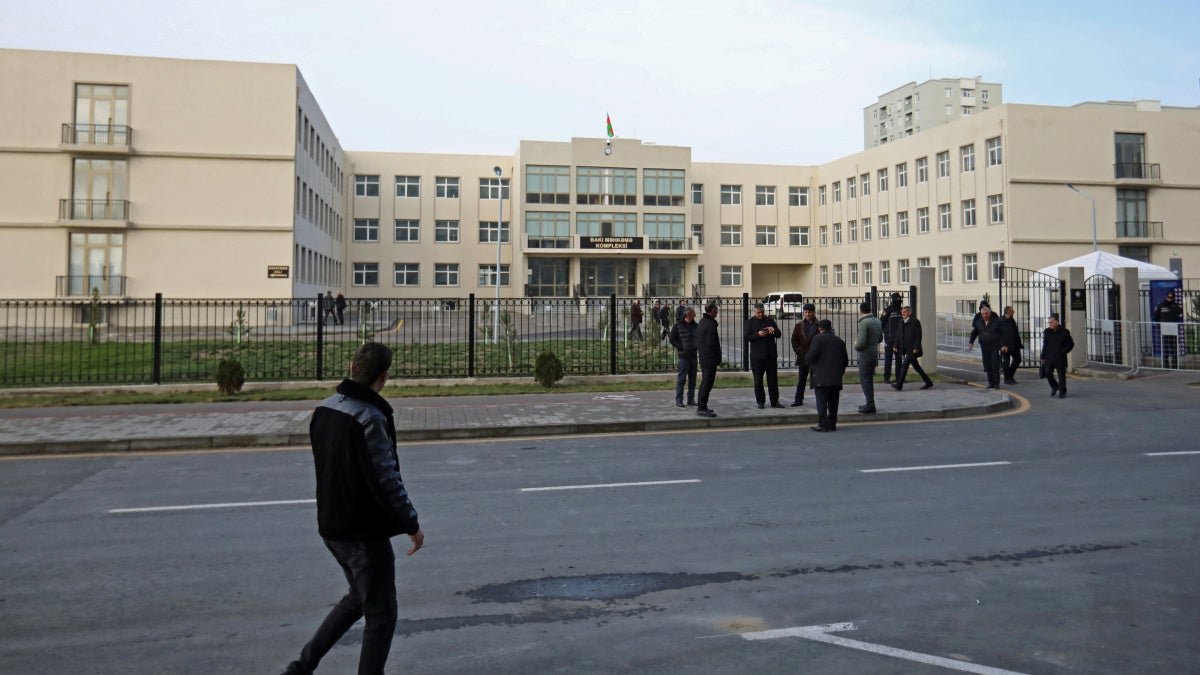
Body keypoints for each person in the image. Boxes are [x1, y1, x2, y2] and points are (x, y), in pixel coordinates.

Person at [284, 342, 424, 675]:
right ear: (384, 377)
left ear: (352, 365)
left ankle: (300, 668)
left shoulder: (326, 408)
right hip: (362, 533)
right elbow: (385, 478)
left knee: (359, 598)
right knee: (382, 613)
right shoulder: (370, 417)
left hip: (331, 527)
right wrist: (412, 524)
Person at [807, 319, 848, 432]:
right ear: (830, 328)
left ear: (820, 328)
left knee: (822, 402)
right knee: (834, 402)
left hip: (821, 377)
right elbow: (845, 360)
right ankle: (832, 423)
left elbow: (811, 357)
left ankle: (822, 423)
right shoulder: (839, 341)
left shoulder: (817, 339)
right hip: (836, 378)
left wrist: (807, 359)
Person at [745, 302, 784, 409]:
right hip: (757, 357)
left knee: (773, 380)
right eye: (758, 313)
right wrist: (758, 334)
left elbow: (779, 334)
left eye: (762, 312)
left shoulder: (769, 320)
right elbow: (746, 337)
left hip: (770, 355)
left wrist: (773, 330)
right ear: (754, 312)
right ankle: (760, 401)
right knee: (758, 380)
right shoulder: (750, 322)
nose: (761, 314)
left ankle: (774, 401)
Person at [967, 304, 1011, 389]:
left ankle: (996, 383)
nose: (984, 315)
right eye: (983, 314)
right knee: (988, 366)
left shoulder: (997, 322)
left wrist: (1004, 345)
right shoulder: (978, 322)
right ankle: (991, 383)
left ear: (989, 313)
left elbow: (1003, 334)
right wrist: (971, 342)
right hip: (984, 347)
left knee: (994, 365)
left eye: (986, 313)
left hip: (994, 347)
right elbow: (974, 332)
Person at [892, 305, 934, 390]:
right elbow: (898, 334)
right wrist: (895, 345)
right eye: (902, 311)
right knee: (917, 367)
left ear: (910, 313)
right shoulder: (901, 321)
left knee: (904, 365)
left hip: (913, 349)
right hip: (906, 348)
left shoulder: (915, 322)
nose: (903, 313)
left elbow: (918, 336)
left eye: (905, 311)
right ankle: (928, 382)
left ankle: (899, 385)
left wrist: (916, 347)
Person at [854, 302, 883, 414]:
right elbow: (880, 338)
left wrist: (855, 344)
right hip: (874, 353)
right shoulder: (877, 321)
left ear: (861, 310)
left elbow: (861, 343)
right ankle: (870, 403)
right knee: (869, 379)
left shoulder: (863, 322)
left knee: (864, 379)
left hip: (865, 354)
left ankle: (870, 404)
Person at [695, 300, 722, 418]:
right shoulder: (710, 324)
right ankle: (701, 408)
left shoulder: (703, 322)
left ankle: (703, 406)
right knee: (707, 383)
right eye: (716, 310)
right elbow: (711, 343)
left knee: (706, 383)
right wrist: (717, 357)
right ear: (712, 311)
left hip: (705, 358)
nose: (717, 311)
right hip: (709, 359)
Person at [789, 303, 819, 406]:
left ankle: (820, 400)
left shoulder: (819, 325)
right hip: (803, 356)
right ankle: (798, 400)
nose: (807, 314)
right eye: (805, 312)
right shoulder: (799, 325)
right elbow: (794, 340)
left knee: (817, 380)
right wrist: (798, 350)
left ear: (813, 313)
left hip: (816, 357)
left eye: (809, 312)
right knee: (801, 379)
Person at [668, 307, 699, 407]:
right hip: (683, 357)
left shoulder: (696, 326)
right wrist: (680, 347)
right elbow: (672, 339)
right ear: (688, 315)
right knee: (681, 379)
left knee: (693, 380)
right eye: (693, 314)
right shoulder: (678, 326)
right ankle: (679, 400)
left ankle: (691, 399)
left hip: (693, 355)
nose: (695, 316)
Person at [1041, 313, 1075, 398]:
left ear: (1057, 322)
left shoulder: (1065, 332)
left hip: (1060, 357)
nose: (1050, 324)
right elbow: (1045, 345)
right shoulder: (1047, 331)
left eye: (1051, 322)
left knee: (1061, 375)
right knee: (1047, 373)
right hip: (1049, 357)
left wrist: (1063, 352)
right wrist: (1043, 356)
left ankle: (1062, 392)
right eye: (1049, 323)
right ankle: (1055, 387)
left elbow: (1070, 344)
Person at [1153, 290, 1184, 369]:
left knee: (1174, 348)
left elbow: (1180, 315)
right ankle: (1165, 366)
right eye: (1169, 297)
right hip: (1164, 330)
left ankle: (1175, 366)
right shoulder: (1160, 305)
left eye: (1172, 297)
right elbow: (1156, 317)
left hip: (1173, 330)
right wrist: (1159, 327)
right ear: (1166, 296)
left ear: (1174, 297)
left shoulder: (1176, 305)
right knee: (1165, 348)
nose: (1170, 298)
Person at [879, 292, 903, 383]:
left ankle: (898, 378)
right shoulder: (888, 310)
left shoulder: (901, 310)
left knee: (899, 360)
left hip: (899, 340)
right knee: (888, 359)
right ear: (893, 300)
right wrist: (881, 335)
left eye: (899, 299)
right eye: (897, 299)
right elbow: (881, 323)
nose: (898, 301)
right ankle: (886, 378)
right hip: (889, 339)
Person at [1000, 306, 1023, 384]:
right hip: (1005, 346)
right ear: (1008, 312)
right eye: (1012, 311)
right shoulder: (1001, 321)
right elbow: (998, 335)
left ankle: (1010, 376)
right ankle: (1007, 379)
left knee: (1018, 359)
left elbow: (1015, 333)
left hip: (1014, 345)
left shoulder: (1012, 320)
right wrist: (1002, 345)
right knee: (1006, 362)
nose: (1014, 312)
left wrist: (1019, 344)